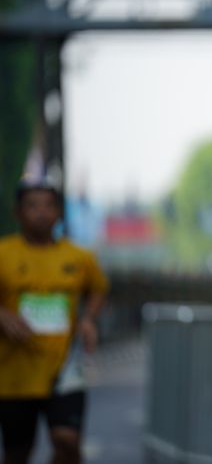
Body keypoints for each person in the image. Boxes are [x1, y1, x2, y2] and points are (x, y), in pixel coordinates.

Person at [0, 179, 109, 464]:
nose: (41, 212)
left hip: (64, 369)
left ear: (60, 212)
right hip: (15, 374)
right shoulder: (3, 254)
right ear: (17, 212)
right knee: (17, 453)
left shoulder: (80, 257)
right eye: (33, 206)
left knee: (67, 442)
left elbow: (98, 288)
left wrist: (88, 319)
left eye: (49, 205)